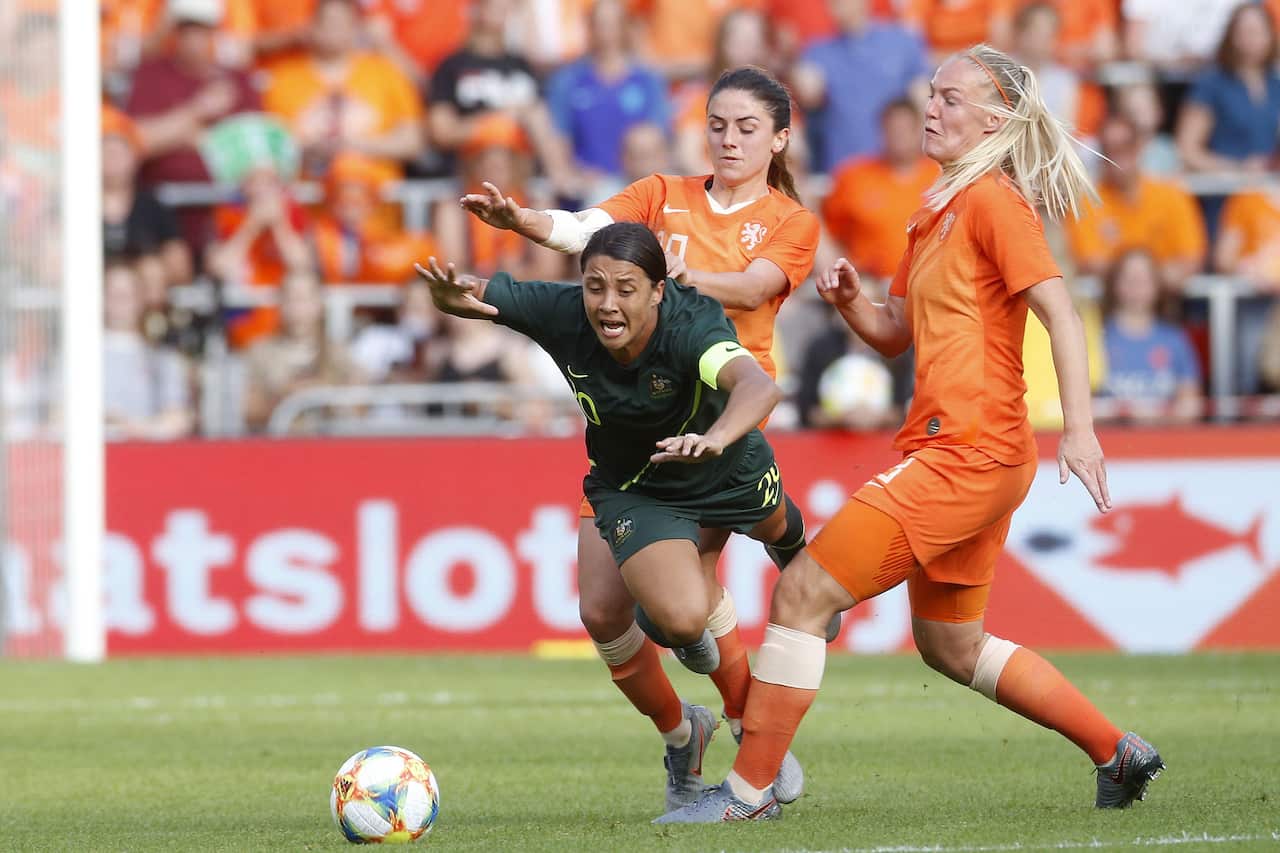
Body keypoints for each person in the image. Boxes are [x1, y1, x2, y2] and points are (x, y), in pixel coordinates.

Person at [659, 44, 1164, 824]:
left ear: (995, 119)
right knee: (950, 647)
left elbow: (1060, 310)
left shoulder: (994, 200)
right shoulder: (938, 206)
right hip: (972, 454)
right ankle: (1116, 750)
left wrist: (1082, 430)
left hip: (967, 450)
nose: (931, 108)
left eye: (951, 99)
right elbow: (898, 334)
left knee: (801, 591)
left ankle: (747, 794)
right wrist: (855, 303)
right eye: (930, 94)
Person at [459, 66, 822, 809]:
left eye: (747, 127)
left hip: (719, 416)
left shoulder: (790, 219)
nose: (728, 139)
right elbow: (592, 231)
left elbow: (756, 287)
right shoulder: (663, 194)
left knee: (677, 610)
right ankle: (681, 730)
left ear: (780, 137)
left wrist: (675, 277)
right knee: (602, 609)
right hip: (631, 430)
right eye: (717, 124)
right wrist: (524, 220)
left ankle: (757, 729)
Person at [1097, 249, 1203, 424]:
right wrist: (1123, 412)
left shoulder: (1175, 339)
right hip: (1111, 440)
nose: (1136, 286)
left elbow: (1191, 406)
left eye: (1144, 279)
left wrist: (1159, 417)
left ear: (1156, 285)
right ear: (1115, 284)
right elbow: (1083, 405)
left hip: (1162, 440)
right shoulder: (1097, 338)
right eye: (1129, 278)